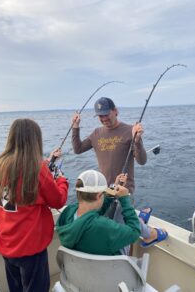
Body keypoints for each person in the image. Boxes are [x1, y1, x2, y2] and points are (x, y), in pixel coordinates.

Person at [71, 97, 167, 247]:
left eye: (106, 114)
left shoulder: (130, 130)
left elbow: (142, 161)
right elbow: (78, 149)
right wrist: (76, 127)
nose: (104, 119)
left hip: (123, 188)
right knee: (109, 222)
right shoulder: (96, 133)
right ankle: (141, 220)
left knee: (120, 228)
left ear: (115, 111)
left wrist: (137, 140)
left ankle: (148, 234)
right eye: (100, 116)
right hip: (104, 189)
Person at [0, 118, 69, 292]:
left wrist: (48, 162)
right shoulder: (37, 170)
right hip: (30, 247)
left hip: (7, 245)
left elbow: (20, 181)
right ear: (35, 141)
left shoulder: (0, 166)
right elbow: (58, 200)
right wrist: (61, 180)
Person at [56, 170, 141, 255]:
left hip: (79, 265)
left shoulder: (67, 213)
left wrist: (112, 190)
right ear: (99, 195)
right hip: (108, 265)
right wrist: (125, 199)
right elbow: (135, 231)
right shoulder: (103, 226)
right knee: (123, 216)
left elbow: (92, 212)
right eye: (104, 194)